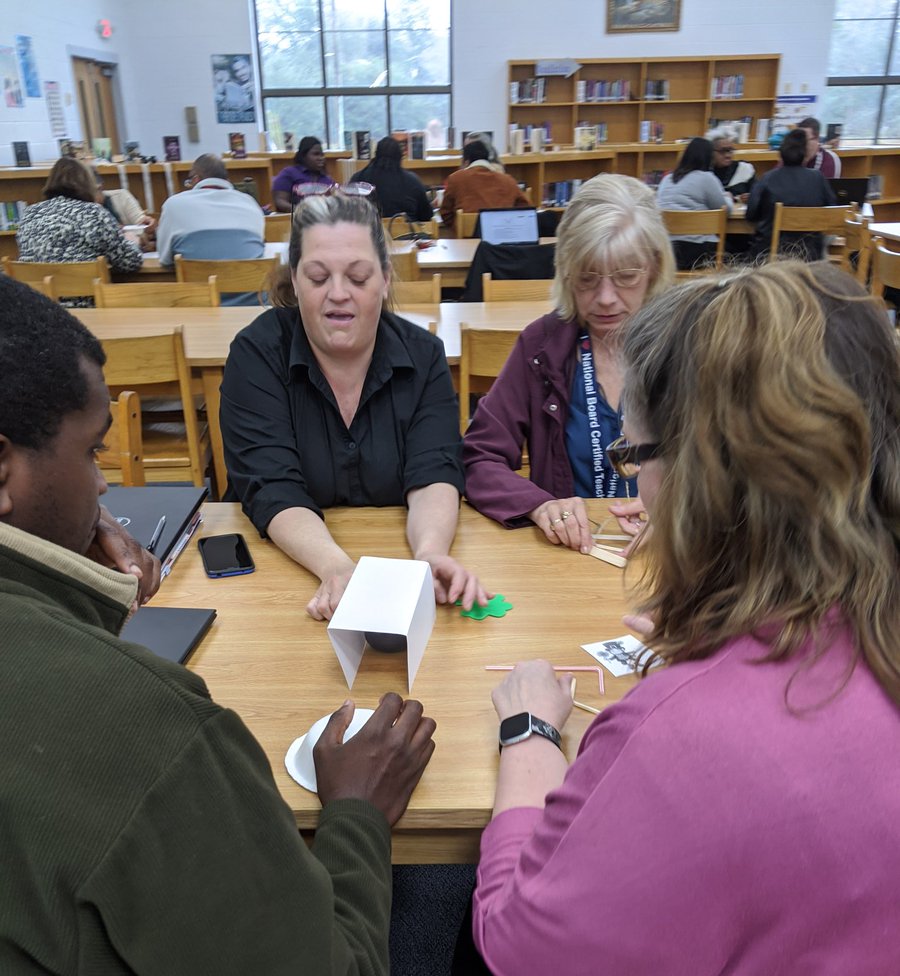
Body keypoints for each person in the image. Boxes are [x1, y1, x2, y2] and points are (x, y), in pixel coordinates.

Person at [465, 260, 900, 976]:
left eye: (635, 461)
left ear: (700, 479)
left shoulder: (685, 739)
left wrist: (531, 742)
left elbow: (528, 946)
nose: (637, 494)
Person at [0, 272, 437, 976]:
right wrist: (354, 816)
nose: (104, 492)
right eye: (93, 455)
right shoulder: (146, 731)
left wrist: (69, 578)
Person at [219, 192, 489, 620]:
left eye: (359, 278)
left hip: (389, 570)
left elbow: (434, 469)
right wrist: (336, 568)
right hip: (283, 580)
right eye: (318, 277)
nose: (339, 294)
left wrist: (431, 551)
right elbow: (271, 485)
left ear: (384, 279)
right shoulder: (256, 355)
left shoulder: (424, 355)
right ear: (295, 280)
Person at [463, 174, 675, 551]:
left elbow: (740, 470)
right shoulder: (542, 346)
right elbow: (479, 455)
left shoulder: (687, 344)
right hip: (570, 555)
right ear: (565, 272)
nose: (606, 298)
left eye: (626, 276)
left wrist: (678, 512)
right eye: (587, 278)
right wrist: (539, 505)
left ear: (655, 269)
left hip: (670, 559)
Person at [16, 157, 143, 304]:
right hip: (87, 306)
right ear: (87, 183)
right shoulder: (94, 212)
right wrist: (133, 242)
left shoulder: (29, 214)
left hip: (40, 307)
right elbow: (130, 262)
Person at [155, 152, 265, 271]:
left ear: (195, 179)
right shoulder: (250, 203)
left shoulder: (173, 205)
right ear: (227, 180)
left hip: (197, 288)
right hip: (249, 287)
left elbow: (164, 259)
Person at [745, 128, 836, 260]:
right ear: (805, 155)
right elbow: (831, 212)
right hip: (809, 257)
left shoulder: (767, 178)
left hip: (769, 257)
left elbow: (751, 214)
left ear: (780, 155)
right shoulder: (818, 178)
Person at [655, 136, 733, 270]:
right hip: (697, 251)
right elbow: (726, 210)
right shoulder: (706, 178)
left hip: (666, 250)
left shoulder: (667, 179)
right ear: (709, 158)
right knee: (735, 251)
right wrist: (728, 196)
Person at [439, 140, 528, 228]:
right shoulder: (508, 180)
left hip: (466, 237)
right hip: (503, 236)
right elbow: (525, 209)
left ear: (466, 161)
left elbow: (445, 213)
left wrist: (459, 226)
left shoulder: (455, 178)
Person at [350, 136, 433, 223]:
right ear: (399, 157)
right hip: (406, 235)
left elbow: (348, 214)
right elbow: (426, 216)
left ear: (376, 155)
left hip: (368, 234)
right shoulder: (413, 181)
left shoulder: (358, 179)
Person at [272, 137, 336, 213]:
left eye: (322, 155)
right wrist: (302, 211)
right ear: (303, 156)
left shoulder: (327, 179)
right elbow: (279, 201)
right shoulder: (289, 173)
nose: (321, 158)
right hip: (295, 219)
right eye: (316, 154)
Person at [708, 127, 756, 198]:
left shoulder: (744, 169)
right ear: (711, 152)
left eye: (730, 150)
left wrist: (751, 197)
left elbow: (757, 194)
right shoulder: (705, 172)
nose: (728, 155)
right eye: (722, 151)